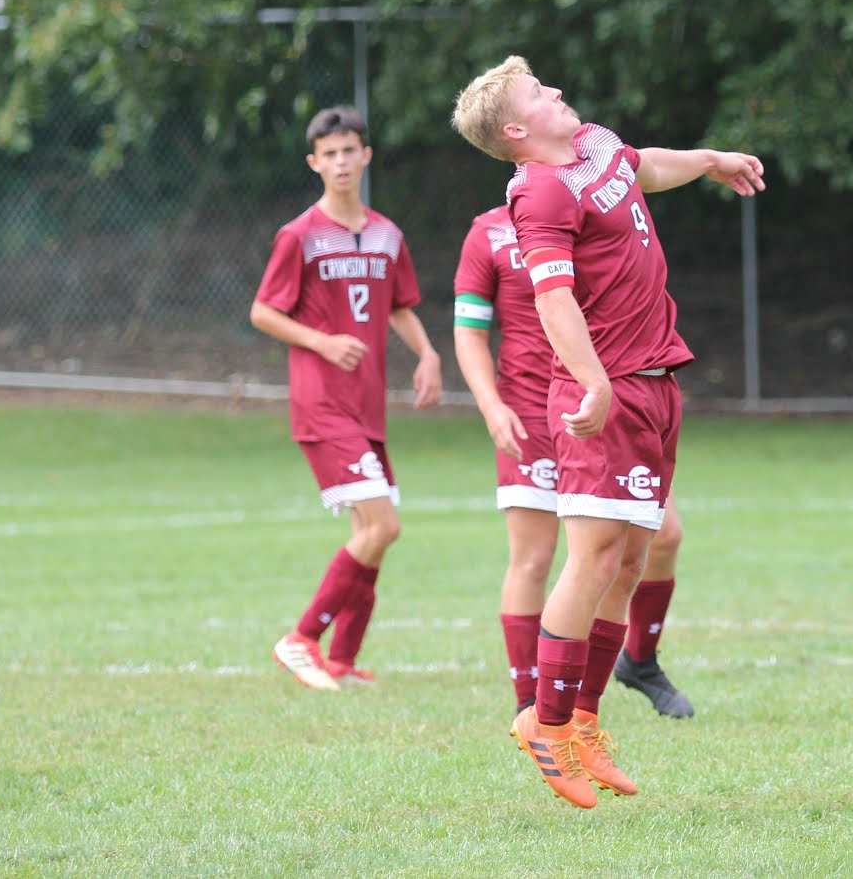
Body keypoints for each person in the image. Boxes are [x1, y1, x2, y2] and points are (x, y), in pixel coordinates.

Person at [451, 57, 762, 809]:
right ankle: (546, 723)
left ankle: (584, 719)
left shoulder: (593, 145)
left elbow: (644, 167)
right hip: (606, 389)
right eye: (538, 92)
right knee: (590, 558)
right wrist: (592, 381)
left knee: (630, 555)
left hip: (654, 383)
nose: (558, 89)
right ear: (518, 130)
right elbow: (554, 300)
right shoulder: (541, 193)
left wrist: (712, 160)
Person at [452, 205, 695, 720]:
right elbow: (469, 331)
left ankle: (640, 664)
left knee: (663, 537)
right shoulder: (488, 233)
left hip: (605, 404)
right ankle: (529, 703)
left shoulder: (593, 209)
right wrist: (491, 405)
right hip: (533, 414)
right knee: (536, 558)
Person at [250, 108, 442, 691]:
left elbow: (398, 305)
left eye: (349, 150)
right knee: (382, 526)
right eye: (328, 154)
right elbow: (263, 311)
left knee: (371, 530)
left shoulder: (386, 234)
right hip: (323, 405)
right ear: (314, 163)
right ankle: (301, 638)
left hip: (367, 407)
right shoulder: (299, 235)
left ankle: (342, 659)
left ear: (366, 156)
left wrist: (428, 354)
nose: (340, 161)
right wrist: (321, 342)